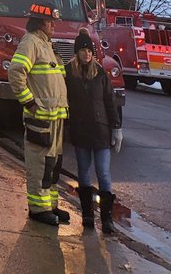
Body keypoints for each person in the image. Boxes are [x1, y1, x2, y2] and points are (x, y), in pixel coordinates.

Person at [8, 1, 70, 226]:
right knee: (39, 164)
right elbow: (15, 72)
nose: (53, 25)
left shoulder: (47, 45)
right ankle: (38, 209)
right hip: (41, 118)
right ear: (39, 22)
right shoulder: (31, 42)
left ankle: (51, 205)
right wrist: (29, 103)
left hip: (54, 119)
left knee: (52, 165)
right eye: (50, 21)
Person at [65, 29, 122, 233]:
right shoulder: (68, 73)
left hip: (101, 132)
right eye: (83, 50)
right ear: (77, 52)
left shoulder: (100, 73)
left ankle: (107, 219)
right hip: (81, 130)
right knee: (84, 173)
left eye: (89, 50)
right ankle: (88, 215)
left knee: (103, 173)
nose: (87, 54)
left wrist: (116, 127)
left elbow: (110, 102)